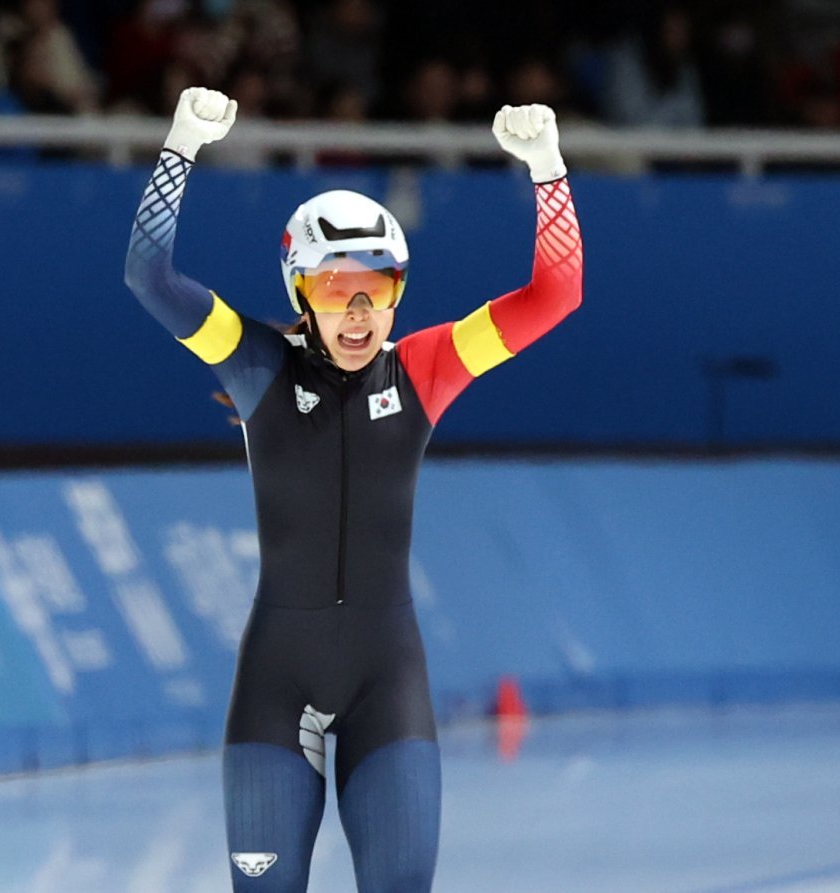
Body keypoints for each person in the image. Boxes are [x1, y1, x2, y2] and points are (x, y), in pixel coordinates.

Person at [123, 88, 582, 892]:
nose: (362, 310)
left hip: (386, 684)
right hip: (276, 683)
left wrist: (550, 171)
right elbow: (149, 276)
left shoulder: (427, 368)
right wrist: (180, 148)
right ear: (301, 289)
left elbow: (555, 296)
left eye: (381, 285)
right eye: (338, 288)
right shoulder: (255, 364)